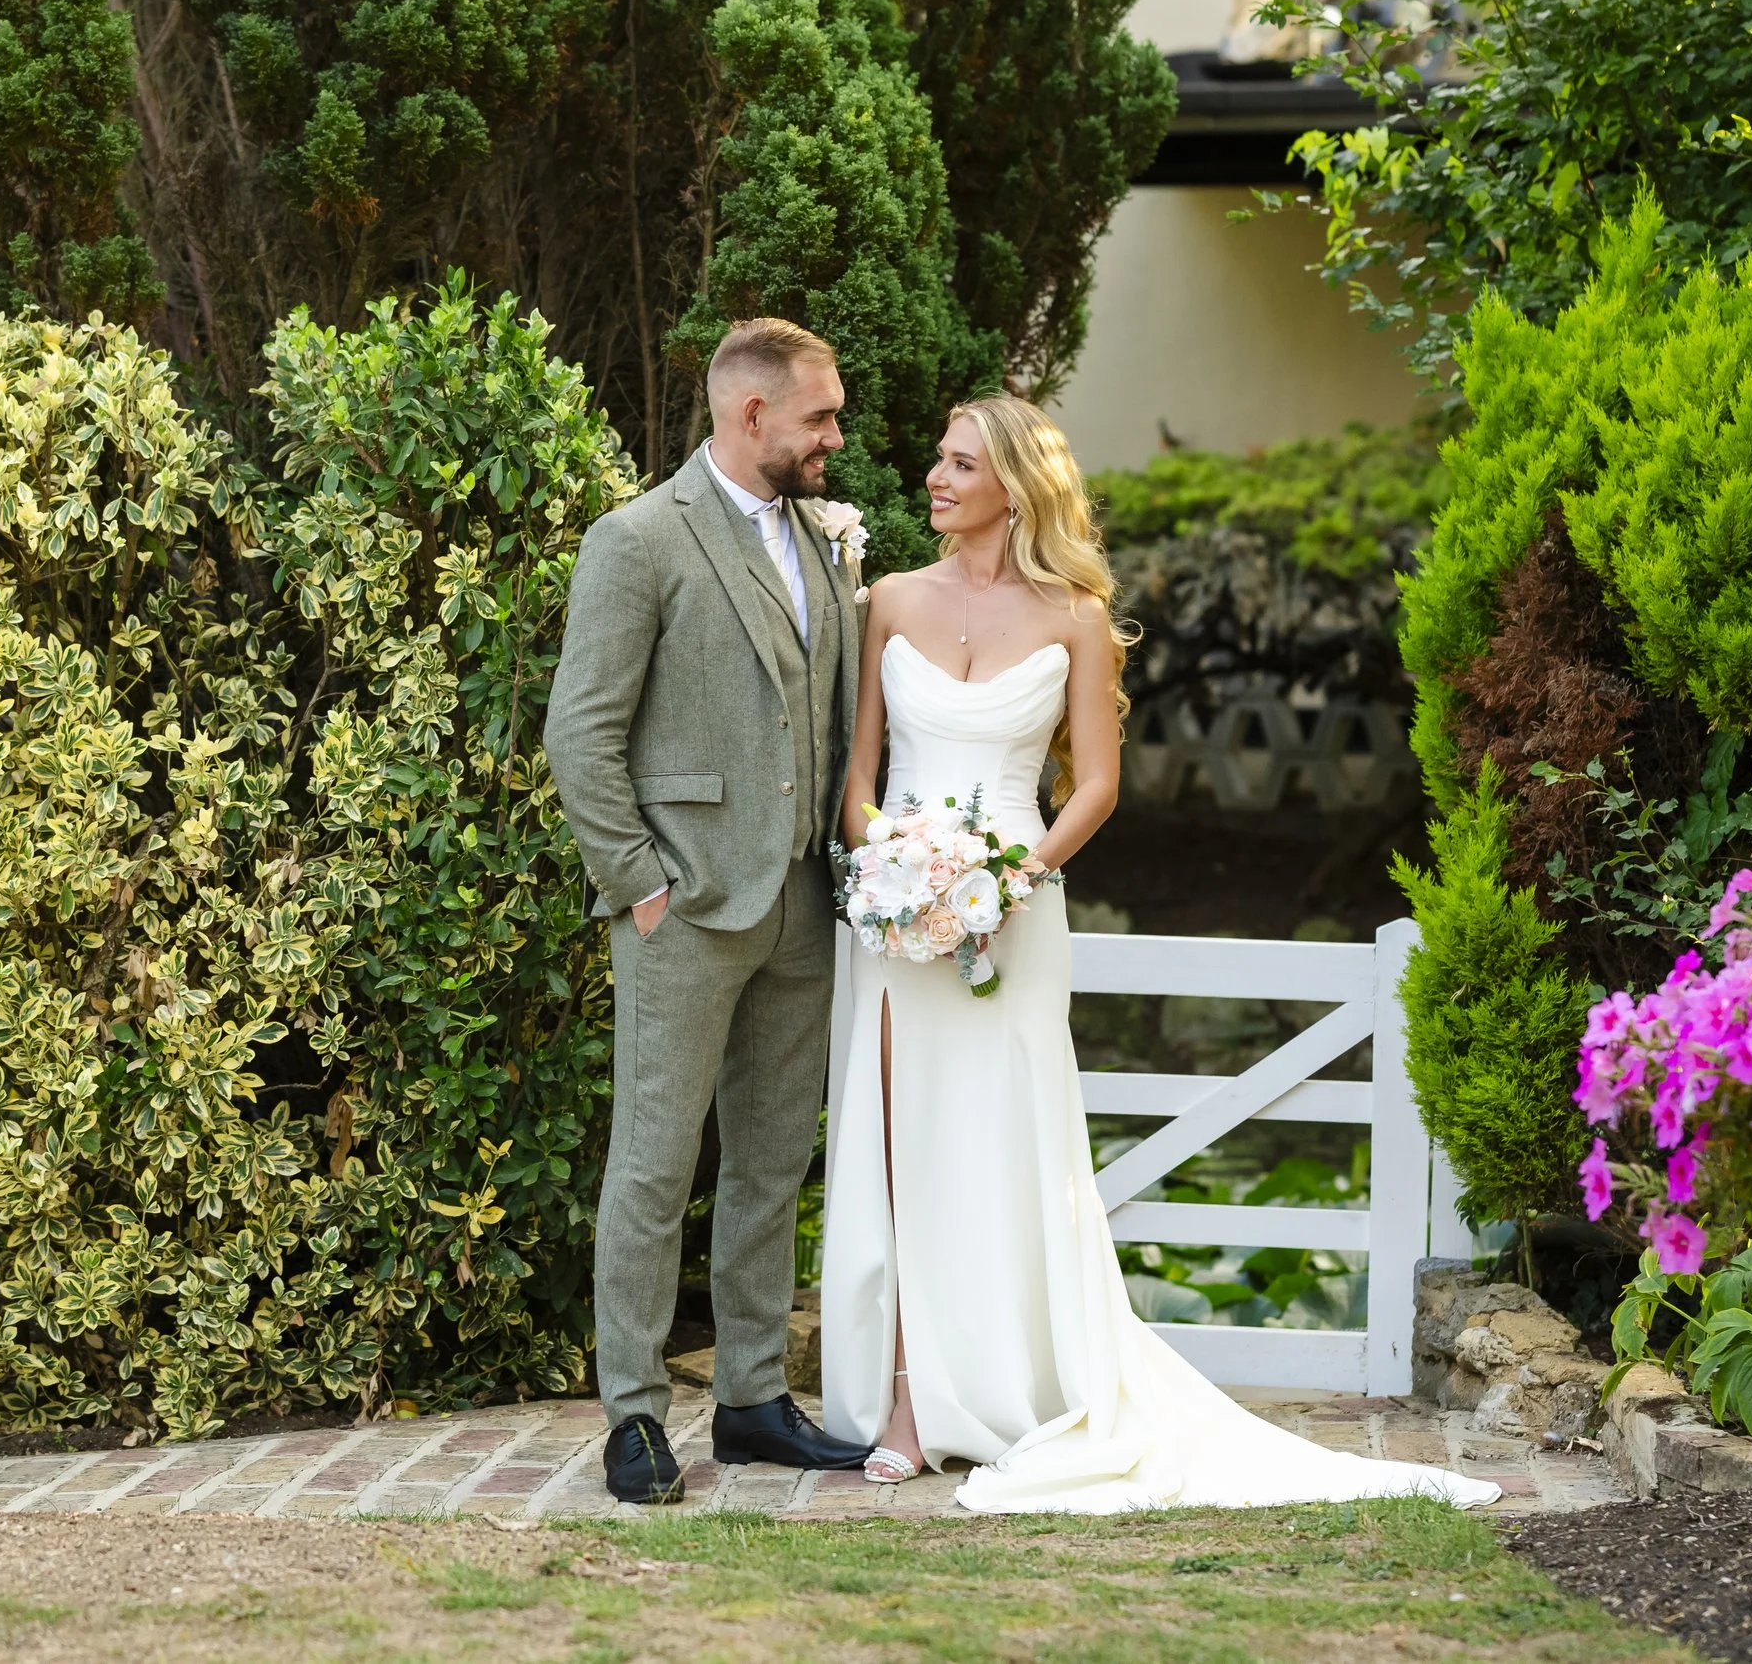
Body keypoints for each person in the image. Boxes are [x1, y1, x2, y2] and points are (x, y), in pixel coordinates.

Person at [818, 394, 1502, 1513]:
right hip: (896, 925)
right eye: (935, 458)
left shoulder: (1076, 615)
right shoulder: (886, 600)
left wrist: (1007, 882)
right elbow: (857, 775)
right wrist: (891, 872)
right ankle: (901, 1405)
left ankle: (1021, 1387)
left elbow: (1096, 781)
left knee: (1005, 1149)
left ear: (1013, 486)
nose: (932, 478)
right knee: (898, 1147)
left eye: (955, 463)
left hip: (1014, 912)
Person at [547, 318, 874, 1504]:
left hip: (800, 901)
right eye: (819, 417)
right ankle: (633, 1415)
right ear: (750, 416)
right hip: (681, 906)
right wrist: (638, 883)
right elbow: (578, 731)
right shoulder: (637, 540)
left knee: (775, 1161)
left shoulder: (822, 541)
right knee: (652, 1162)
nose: (835, 435)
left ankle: (749, 1400)